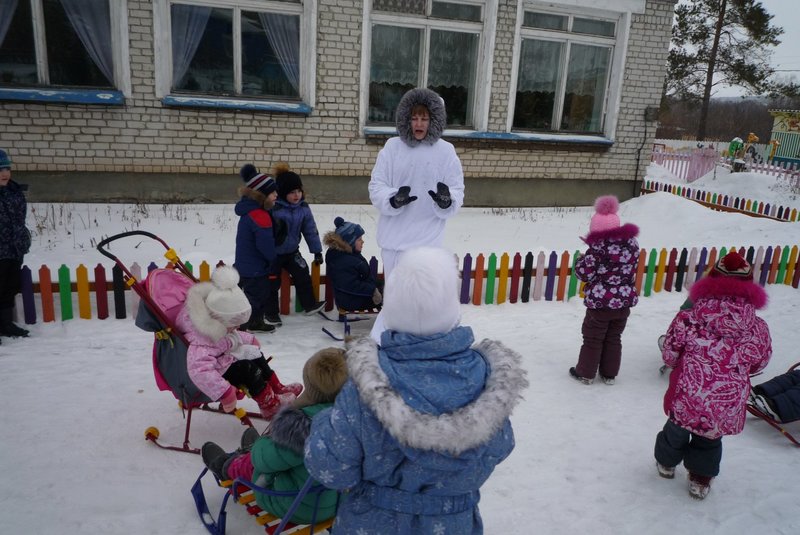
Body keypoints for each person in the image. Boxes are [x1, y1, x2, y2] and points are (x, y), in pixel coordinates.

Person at [304, 246, 528, 534]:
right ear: (452, 310)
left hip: (372, 524)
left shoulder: (365, 387)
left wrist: (326, 421)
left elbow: (331, 468)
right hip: (453, 524)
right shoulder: (487, 382)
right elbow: (501, 446)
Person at [654, 251, 772, 500]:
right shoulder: (757, 328)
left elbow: (670, 352)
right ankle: (700, 479)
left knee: (675, 430)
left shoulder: (688, 319)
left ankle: (666, 463)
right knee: (709, 439)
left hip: (688, 393)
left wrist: (677, 363)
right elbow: (760, 361)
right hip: (725, 402)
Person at [201, 347, 348, 525]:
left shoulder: (302, 428)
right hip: (338, 502)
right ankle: (258, 450)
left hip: (294, 505)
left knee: (261, 459)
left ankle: (226, 467)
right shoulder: (355, 421)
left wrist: (262, 446)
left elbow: (261, 462)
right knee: (281, 456)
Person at [367, 88, 465, 342]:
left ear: (434, 120)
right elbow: (376, 186)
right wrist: (393, 199)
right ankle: (386, 344)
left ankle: (426, 344)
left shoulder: (446, 152)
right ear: (405, 119)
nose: (419, 124)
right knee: (396, 302)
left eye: (424, 118)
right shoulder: (392, 148)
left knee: (426, 302)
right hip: (395, 243)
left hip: (427, 244)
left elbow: (457, 190)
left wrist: (446, 201)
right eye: (414, 118)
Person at [176, 265, 303, 419]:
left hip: (226, 357)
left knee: (255, 354)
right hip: (217, 372)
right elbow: (200, 371)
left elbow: (231, 337)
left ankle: (277, 388)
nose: (237, 328)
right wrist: (225, 393)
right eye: (234, 325)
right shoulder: (201, 341)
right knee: (248, 368)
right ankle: (269, 405)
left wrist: (249, 339)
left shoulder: (220, 324)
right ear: (218, 321)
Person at [569, 195, 639, 385]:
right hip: (623, 303)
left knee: (593, 338)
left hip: (601, 305)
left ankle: (585, 373)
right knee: (614, 338)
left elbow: (583, 274)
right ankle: (609, 374)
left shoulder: (598, 250)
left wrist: (580, 260)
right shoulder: (631, 246)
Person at [264, 163, 325, 326]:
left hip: (292, 252)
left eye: (298, 191)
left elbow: (310, 230)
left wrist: (317, 251)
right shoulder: (274, 208)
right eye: (292, 192)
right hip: (273, 254)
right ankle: (270, 313)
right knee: (271, 282)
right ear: (282, 193)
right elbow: (263, 230)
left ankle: (309, 305)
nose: (297, 195)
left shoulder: (303, 208)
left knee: (303, 274)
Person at [234, 163, 279, 333]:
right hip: (256, 268)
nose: (276, 195)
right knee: (256, 297)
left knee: (249, 296)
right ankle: (246, 326)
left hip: (244, 264)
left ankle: (252, 322)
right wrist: (273, 258)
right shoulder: (260, 215)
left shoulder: (248, 211)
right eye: (272, 192)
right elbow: (265, 245)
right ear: (261, 195)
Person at [0, 148, 31, 341]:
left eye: (7, 169)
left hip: (14, 248)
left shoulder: (15, 191)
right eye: (0, 170)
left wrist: (22, 239)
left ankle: (6, 324)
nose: (5, 173)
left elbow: (20, 220)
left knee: (9, 287)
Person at [323, 216, 382, 312]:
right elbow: (350, 285)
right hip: (351, 300)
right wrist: (372, 291)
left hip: (357, 295)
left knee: (388, 287)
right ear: (349, 242)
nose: (363, 241)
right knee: (389, 294)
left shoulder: (350, 254)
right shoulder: (342, 261)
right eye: (359, 239)